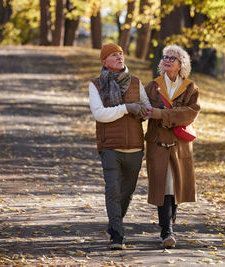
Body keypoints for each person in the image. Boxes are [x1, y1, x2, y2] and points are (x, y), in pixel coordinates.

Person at [89, 43, 151, 250]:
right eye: (114, 55)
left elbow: (147, 107)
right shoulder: (96, 85)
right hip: (110, 147)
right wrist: (126, 108)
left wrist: (141, 110)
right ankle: (117, 235)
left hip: (135, 146)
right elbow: (100, 114)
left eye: (121, 54)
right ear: (104, 62)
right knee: (113, 190)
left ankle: (113, 223)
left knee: (127, 192)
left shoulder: (135, 83)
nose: (119, 57)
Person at [144, 45, 200, 248]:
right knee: (162, 186)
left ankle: (168, 227)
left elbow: (189, 114)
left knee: (175, 186)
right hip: (157, 143)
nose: (167, 60)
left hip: (180, 145)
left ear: (181, 64)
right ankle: (167, 229)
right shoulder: (152, 86)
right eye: (165, 57)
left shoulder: (191, 88)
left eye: (172, 58)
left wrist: (161, 114)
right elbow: (145, 110)